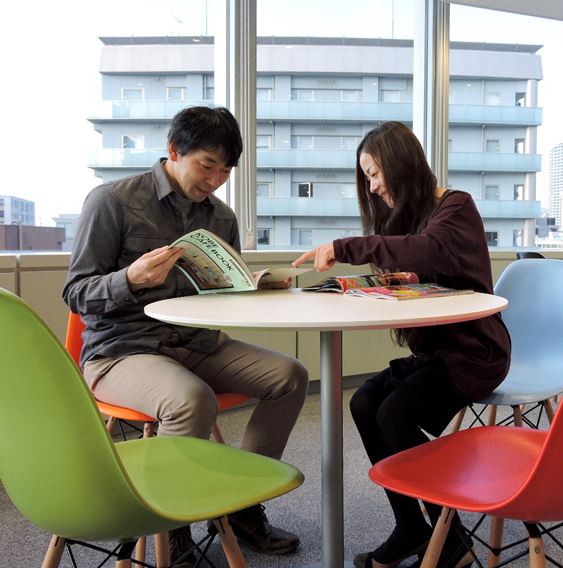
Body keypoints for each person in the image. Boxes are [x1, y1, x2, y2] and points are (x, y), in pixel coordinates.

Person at [63, 105, 309, 565]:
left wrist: (250, 287)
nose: (215, 179)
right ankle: (170, 527)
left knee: (290, 376)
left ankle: (240, 507)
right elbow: (76, 293)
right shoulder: (112, 201)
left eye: (226, 170)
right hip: (121, 350)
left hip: (195, 343)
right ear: (174, 150)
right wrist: (129, 279)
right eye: (207, 165)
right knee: (191, 400)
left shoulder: (221, 217)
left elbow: (220, 291)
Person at [293, 121, 511, 568]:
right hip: (437, 353)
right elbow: (409, 259)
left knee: (394, 413)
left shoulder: (455, 207)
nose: (372, 188)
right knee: (365, 403)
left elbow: (424, 250)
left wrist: (345, 247)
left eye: (374, 174)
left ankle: (451, 542)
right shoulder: (409, 220)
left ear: (399, 162)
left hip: (476, 353)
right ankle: (411, 528)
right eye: (367, 177)